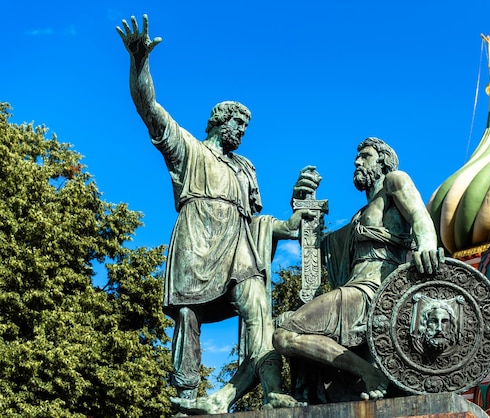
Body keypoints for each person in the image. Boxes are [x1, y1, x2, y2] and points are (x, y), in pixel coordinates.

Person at [116, 15, 305, 414]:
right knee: (187, 314)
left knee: (259, 308)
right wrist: (139, 63)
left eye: (246, 126)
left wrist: (294, 221)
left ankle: (272, 389)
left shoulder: (245, 168)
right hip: (196, 239)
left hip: (238, 246)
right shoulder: (188, 150)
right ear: (220, 121)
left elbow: (258, 221)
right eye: (238, 123)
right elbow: (148, 107)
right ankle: (186, 394)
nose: (242, 131)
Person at [273, 137, 444, 401]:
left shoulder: (394, 181)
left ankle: (371, 373)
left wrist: (427, 246)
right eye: (358, 157)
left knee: (286, 334)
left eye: (365, 156)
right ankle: (368, 372)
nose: (357, 161)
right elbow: (318, 248)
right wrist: (302, 204)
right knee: (283, 333)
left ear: (383, 161)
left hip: (374, 289)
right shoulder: (360, 216)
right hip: (355, 288)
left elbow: (420, 216)